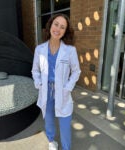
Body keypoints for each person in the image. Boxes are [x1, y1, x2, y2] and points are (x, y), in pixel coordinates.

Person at [32, 13, 81, 150]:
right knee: (49, 121)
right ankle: (51, 141)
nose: (58, 29)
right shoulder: (39, 49)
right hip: (46, 90)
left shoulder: (70, 50)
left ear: (65, 32)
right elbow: (35, 70)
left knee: (65, 124)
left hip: (62, 91)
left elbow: (76, 71)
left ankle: (66, 147)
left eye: (62, 27)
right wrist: (38, 83)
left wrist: (68, 88)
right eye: (56, 24)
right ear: (50, 25)